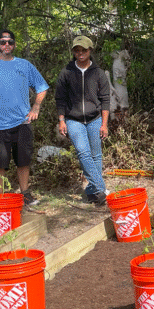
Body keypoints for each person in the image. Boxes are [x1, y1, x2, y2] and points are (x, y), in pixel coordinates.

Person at [0, 29, 49, 204]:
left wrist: (36, 107)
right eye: (3, 41)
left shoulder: (24, 65)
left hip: (22, 122)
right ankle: (0, 198)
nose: (7, 45)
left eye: (10, 42)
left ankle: (25, 193)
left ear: (14, 45)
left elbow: (42, 86)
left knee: (23, 160)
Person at [55, 35, 111, 205]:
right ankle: (101, 189)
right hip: (74, 120)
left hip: (95, 119)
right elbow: (60, 99)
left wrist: (104, 124)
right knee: (83, 152)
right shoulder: (66, 72)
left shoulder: (98, 73)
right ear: (73, 52)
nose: (80, 53)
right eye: (77, 50)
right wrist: (62, 120)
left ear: (90, 51)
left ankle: (92, 193)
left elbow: (106, 99)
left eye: (84, 50)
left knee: (96, 156)